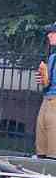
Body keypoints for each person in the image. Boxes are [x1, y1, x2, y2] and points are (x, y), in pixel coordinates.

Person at [38, 21, 56, 158]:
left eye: (53, 32)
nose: (49, 35)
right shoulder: (52, 58)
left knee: (53, 146)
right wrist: (43, 80)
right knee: (41, 141)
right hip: (46, 101)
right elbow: (47, 83)